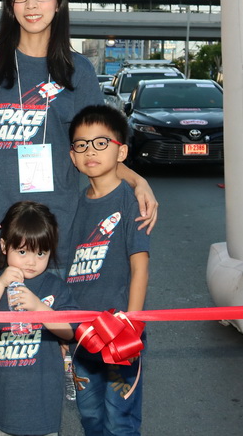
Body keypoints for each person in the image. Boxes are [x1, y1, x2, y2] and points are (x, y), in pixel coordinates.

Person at [0, 0, 158, 283]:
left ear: (58, 1)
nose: (31, 4)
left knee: (52, 314)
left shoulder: (79, 72)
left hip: (55, 229)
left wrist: (137, 181)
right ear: (10, 5)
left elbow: (97, 150)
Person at [65, 105, 150, 436]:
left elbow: (139, 267)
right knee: (89, 415)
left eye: (101, 143)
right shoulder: (72, 205)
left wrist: (133, 324)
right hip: (81, 335)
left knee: (120, 418)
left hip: (119, 334)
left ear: (121, 152)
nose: (90, 151)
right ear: (73, 156)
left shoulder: (130, 202)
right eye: (81, 144)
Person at [0, 200, 78, 436]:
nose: (31, 261)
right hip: (1, 402)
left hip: (42, 403)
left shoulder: (55, 287)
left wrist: (39, 307)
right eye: (22, 252)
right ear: (4, 246)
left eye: (41, 253)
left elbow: (70, 331)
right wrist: (1, 282)